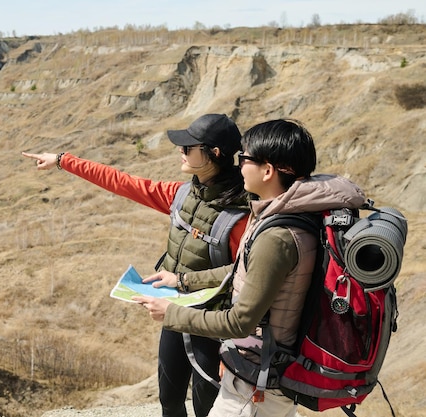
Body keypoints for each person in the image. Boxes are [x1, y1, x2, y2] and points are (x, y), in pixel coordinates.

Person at [133, 119, 367, 417]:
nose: (238, 165)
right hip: (267, 374)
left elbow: (239, 322)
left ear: (268, 171)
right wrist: (181, 280)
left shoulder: (278, 236)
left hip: (258, 383)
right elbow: (244, 270)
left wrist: (171, 313)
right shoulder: (283, 214)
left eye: (244, 158)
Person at [22, 114, 250, 417]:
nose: (179, 151)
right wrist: (63, 160)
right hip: (173, 311)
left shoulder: (242, 216)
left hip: (212, 325)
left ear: (215, 154)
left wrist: (182, 281)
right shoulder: (182, 194)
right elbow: (124, 183)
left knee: (206, 405)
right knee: (169, 400)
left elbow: (246, 275)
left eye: (187, 148)